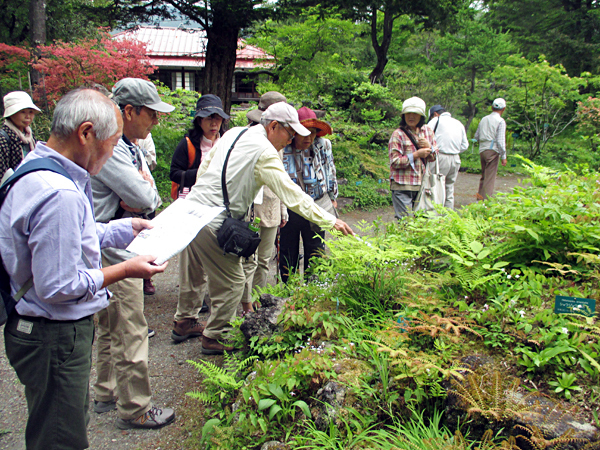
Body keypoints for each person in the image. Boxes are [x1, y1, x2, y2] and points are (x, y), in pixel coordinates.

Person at [0, 88, 167, 450]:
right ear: (86, 133)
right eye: (110, 145)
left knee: (56, 422)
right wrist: (124, 270)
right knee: (61, 437)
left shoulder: (36, 168)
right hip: (53, 334)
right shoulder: (59, 192)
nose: (109, 156)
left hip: (33, 326)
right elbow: (59, 286)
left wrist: (126, 227)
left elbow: (71, 235)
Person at [184, 102, 354, 355]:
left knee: (222, 279)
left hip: (195, 212)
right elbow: (291, 193)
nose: (291, 139)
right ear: (273, 126)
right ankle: (215, 337)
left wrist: (199, 196)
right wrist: (330, 220)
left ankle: (195, 324)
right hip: (214, 219)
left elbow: (206, 166)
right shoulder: (265, 152)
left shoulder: (235, 133)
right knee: (233, 282)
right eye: (289, 133)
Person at [91, 78, 176, 430]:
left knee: (110, 324)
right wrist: (141, 189)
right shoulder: (111, 148)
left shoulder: (127, 143)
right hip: (114, 245)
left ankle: (106, 391)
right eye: (152, 115)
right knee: (130, 326)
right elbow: (144, 198)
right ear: (129, 111)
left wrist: (142, 188)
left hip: (110, 241)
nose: (155, 122)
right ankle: (136, 407)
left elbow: (146, 191)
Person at [171, 94, 229, 341]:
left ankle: (211, 321)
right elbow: (175, 173)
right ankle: (186, 319)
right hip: (191, 210)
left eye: (217, 118)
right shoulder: (188, 145)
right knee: (192, 267)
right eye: (208, 118)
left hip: (217, 211)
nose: (213, 123)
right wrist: (204, 173)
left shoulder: (227, 142)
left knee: (217, 267)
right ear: (199, 120)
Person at [241, 91, 288, 313]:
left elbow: (280, 179)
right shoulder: (249, 138)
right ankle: (245, 302)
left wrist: (283, 208)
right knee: (247, 260)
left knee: (264, 259)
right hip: (250, 207)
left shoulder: (278, 140)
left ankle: (258, 300)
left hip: (271, 206)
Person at [279, 106, 338, 283]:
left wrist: (333, 198)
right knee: (288, 250)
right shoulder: (284, 147)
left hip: (318, 204)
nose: (309, 137)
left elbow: (330, 171)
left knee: (316, 248)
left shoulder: (323, 145)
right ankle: (289, 289)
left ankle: (314, 289)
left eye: (312, 132)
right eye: (303, 133)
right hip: (291, 207)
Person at [389, 96, 438, 219]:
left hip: (422, 184)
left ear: (421, 116)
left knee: (421, 221)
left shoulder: (428, 131)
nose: (411, 116)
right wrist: (416, 155)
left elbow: (435, 156)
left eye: (415, 114)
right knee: (404, 221)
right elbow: (395, 161)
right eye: (408, 113)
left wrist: (429, 148)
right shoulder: (398, 134)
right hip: (402, 184)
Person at [427, 105, 469, 209]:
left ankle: (434, 214)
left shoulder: (435, 120)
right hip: (455, 158)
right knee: (449, 187)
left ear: (435, 114)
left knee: (434, 186)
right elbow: (465, 145)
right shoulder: (458, 123)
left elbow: (425, 136)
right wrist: (453, 149)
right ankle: (448, 216)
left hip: (439, 157)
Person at [0, 91, 41, 182]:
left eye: (31, 112)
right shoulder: (3, 138)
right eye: (23, 112)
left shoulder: (30, 136)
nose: (28, 116)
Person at [475, 98, 507, 200]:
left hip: (482, 150)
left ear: (492, 107)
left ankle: (479, 199)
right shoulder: (500, 121)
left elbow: (476, 136)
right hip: (492, 150)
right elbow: (500, 141)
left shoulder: (484, 119)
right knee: (490, 178)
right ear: (503, 109)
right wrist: (503, 156)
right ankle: (485, 202)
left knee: (484, 176)